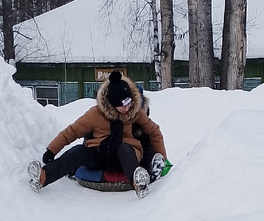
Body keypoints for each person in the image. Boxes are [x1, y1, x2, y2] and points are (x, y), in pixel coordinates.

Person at [28, 71, 167, 199]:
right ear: (112, 104)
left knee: (125, 149)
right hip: (100, 155)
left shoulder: (134, 112)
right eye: (122, 105)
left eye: (129, 103)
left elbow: (154, 131)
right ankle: (43, 176)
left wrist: (163, 159)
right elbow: (73, 131)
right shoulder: (95, 114)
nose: (127, 107)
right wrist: (51, 150)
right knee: (78, 151)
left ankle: (138, 183)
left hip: (125, 156)